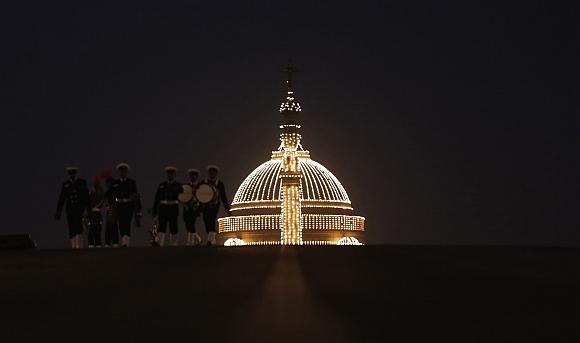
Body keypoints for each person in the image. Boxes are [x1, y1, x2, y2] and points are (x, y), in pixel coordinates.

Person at [55, 166, 89, 249]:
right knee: (71, 227)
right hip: (70, 209)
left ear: (75, 173)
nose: (72, 175)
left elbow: (86, 196)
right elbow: (62, 197)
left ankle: (79, 246)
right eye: (70, 174)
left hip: (79, 208)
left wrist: (88, 208)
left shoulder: (82, 182)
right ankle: (73, 246)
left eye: (73, 173)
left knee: (78, 227)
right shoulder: (65, 184)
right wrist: (58, 210)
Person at [110, 163, 142, 247]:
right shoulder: (115, 183)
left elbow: (136, 196)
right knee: (121, 224)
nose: (122, 173)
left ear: (126, 172)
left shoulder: (131, 182)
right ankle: (124, 240)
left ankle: (125, 243)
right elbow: (110, 195)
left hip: (128, 205)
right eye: (121, 171)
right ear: (119, 172)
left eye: (124, 171)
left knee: (127, 223)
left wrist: (139, 209)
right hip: (119, 205)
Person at [200, 165, 230, 246]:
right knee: (206, 221)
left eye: (213, 172)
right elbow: (199, 195)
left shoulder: (219, 184)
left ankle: (211, 240)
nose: (211, 174)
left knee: (211, 220)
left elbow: (223, 197)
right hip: (205, 206)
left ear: (216, 174)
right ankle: (210, 238)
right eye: (210, 172)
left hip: (214, 206)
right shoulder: (203, 183)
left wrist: (228, 209)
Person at [152, 166, 182, 246]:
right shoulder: (162, 185)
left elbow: (183, 197)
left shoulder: (178, 185)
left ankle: (174, 244)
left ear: (174, 175)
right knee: (162, 226)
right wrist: (154, 210)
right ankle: (159, 243)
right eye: (168, 173)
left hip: (173, 208)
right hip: (163, 208)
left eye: (172, 173)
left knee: (174, 226)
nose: (170, 175)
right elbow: (157, 198)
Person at [183, 168, 202, 246]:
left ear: (196, 177)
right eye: (191, 176)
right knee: (187, 223)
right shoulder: (186, 186)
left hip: (195, 208)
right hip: (187, 208)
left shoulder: (200, 186)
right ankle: (197, 238)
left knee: (191, 223)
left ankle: (190, 240)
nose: (193, 177)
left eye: (194, 176)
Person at [86, 174, 106, 248]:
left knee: (97, 233)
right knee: (91, 233)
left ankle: (97, 246)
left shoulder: (99, 193)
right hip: (91, 214)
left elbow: (101, 199)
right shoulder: (90, 193)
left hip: (96, 213)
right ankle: (92, 246)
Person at [103, 174, 119, 247]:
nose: (107, 184)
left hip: (114, 210)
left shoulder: (114, 191)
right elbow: (104, 198)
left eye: (108, 183)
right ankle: (109, 242)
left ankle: (112, 242)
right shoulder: (108, 192)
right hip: (110, 210)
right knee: (109, 226)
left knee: (113, 225)